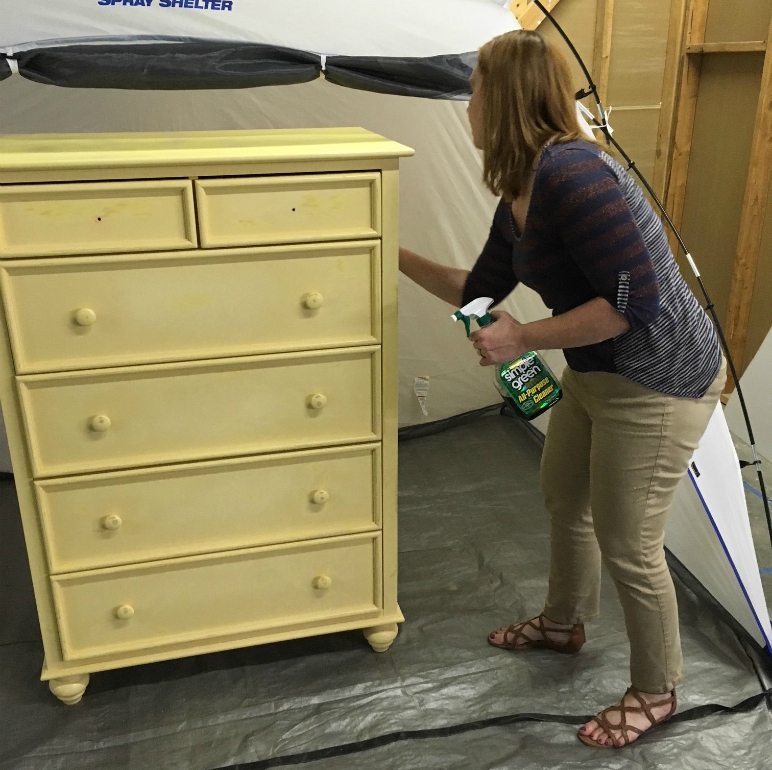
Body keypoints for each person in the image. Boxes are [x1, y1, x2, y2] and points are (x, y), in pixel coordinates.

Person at [398, 29, 726, 749]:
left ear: (506, 98)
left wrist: (521, 339)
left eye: (476, 90)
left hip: (660, 379)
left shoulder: (575, 177)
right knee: (563, 494)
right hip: (600, 371)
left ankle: (656, 688)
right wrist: (386, 251)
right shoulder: (520, 190)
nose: (468, 105)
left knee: (628, 539)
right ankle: (562, 623)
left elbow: (631, 303)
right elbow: (478, 291)